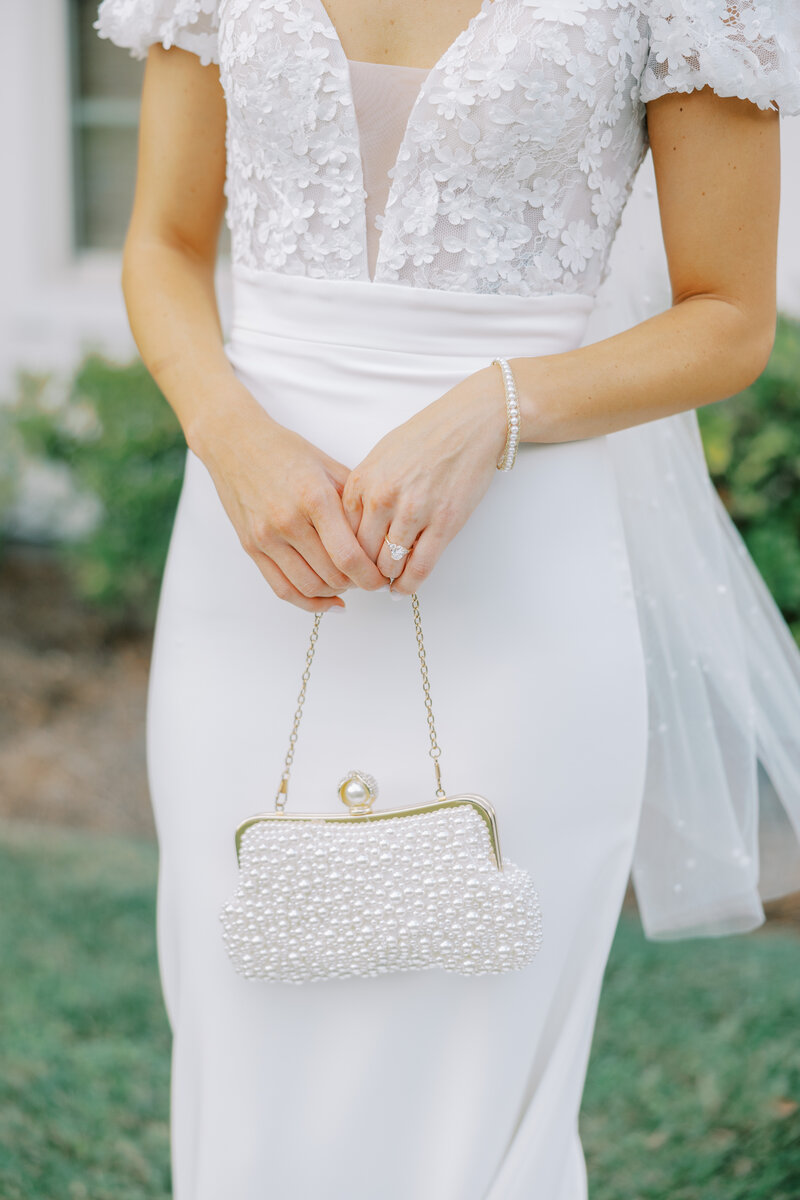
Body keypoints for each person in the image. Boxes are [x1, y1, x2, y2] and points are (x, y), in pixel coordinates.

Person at [94, 1, 800, 1196]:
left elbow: (726, 319)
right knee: (245, 1003)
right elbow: (162, 242)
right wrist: (227, 436)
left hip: (521, 579)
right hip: (249, 556)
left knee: (477, 1032)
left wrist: (496, 407)